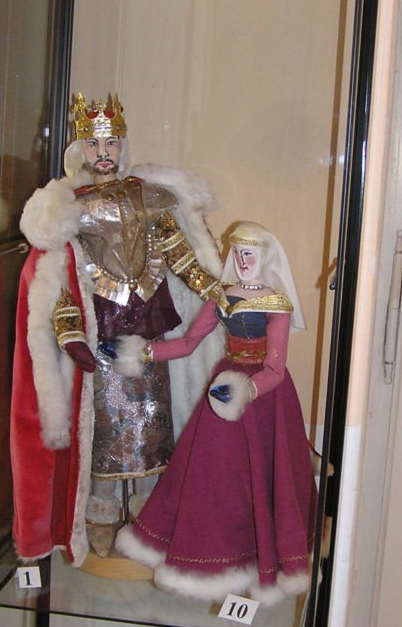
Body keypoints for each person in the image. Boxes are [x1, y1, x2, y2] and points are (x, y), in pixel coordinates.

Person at [10, 92, 226, 566]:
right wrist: (69, 331)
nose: (103, 152)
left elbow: (178, 253)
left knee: (151, 422)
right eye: (94, 143)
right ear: (81, 149)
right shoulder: (69, 207)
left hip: (148, 327)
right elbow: (60, 276)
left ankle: (149, 512)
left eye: (111, 143)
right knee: (104, 427)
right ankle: (101, 512)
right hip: (103, 329)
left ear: (122, 146)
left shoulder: (147, 196)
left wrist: (213, 286)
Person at [114, 222, 318, 604]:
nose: (242, 260)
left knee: (265, 474)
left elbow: (275, 369)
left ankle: (264, 560)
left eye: (249, 254)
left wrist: (246, 390)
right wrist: (142, 352)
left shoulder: (276, 303)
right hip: (224, 391)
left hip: (264, 400)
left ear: (264, 257)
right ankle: (217, 555)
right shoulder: (221, 297)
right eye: (237, 252)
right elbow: (189, 343)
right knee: (217, 477)